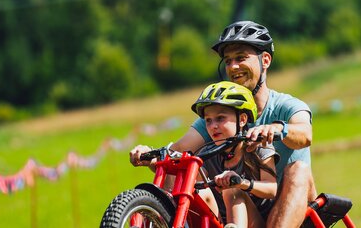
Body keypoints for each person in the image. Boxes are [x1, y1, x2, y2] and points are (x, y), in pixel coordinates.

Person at [130, 20, 316, 227]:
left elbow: (305, 135)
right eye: (227, 61)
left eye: (241, 58)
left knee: (298, 169)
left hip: (290, 206)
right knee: (181, 174)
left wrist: (278, 128)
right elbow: (179, 150)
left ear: (265, 60)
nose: (233, 67)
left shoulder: (287, 106)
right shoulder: (218, 119)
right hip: (242, 208)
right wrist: (152, 155)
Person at [192, 81, 278, 228]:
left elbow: (272, 189)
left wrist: (240, 183)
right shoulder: (206, 154)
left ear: (243, 119)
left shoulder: (257, 146)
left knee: (232, 189)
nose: (213, 126)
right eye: (208, 120)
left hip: (257, 222)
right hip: (222, 221)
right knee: (196, 192)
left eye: (220, 118)